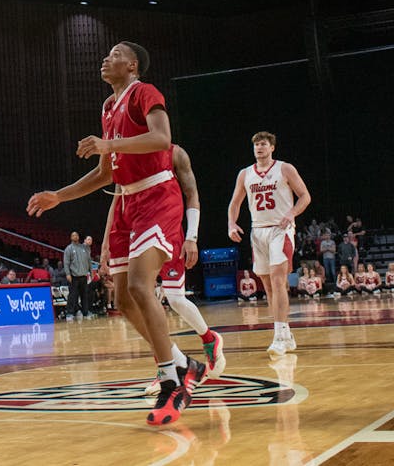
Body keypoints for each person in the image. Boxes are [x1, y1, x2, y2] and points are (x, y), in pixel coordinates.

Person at [27, 41, 206, 426]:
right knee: (124, 298)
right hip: (126, 203)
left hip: (158, 195)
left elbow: (161, 139)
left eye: (114, 53)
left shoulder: (145, 92)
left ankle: (170, 382)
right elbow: (106, 174)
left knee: (142, 287)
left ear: (133, 65)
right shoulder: (109, 107)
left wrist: (108, 143)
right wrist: (59, 196)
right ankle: (182, 362)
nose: (105, 59)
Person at [129, 144, 225, 395]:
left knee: (175, 299)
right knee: (143, 302)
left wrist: (191, 236)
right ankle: (167, 369)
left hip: (170, 232)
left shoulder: (176, 153)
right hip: (140, 228)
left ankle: (208, 339)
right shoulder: (130, 153)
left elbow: (191, 194)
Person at [228, 131, 311, 358]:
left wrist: (292, 213)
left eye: (263, 144)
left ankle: (278, 336)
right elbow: (235, 202)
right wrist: (231, 224)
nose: (259, 148)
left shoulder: (285, 169)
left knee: (277, 278)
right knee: (268, 285)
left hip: (280, 230)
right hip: (258, 231)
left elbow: (305, 196)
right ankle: (285, 333)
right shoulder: (245, 174)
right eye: (256, 145)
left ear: (272, 147)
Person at [62, 231, 92, 321]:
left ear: (78, 237)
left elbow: (88, 260)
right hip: (74, 276)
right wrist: (67, 274)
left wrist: (90, 272)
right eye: (73, 235)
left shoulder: (84, 248)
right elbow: (66, 262)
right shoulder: (69, 248)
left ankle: (85, 312)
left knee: (84, 295)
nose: (75, 237)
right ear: (71, 238)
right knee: (72, 295)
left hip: (83, 275)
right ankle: (70, 313)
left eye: (76, 235)